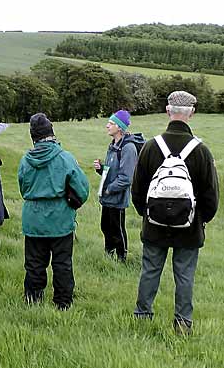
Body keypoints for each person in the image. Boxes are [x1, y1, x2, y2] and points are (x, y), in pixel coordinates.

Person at [131, 91, 219, 336]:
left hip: (154, 225)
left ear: (168, 111)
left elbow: (137, 189)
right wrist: (200, 220)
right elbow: (211, 197)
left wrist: (146, 214)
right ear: (191, 113)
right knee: (185, 276)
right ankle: (182, 324)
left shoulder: (150, 147)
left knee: (150, 271)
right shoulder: (201, 151)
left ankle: (142, 318)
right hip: (189, 228)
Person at [17, 113, 89, 310]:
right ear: (52, 133)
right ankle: (63, 303)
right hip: (60, 219)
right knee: (62, 263)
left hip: (33, 219)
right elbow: (82, 189)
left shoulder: (25, 160)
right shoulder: (65, 158)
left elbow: (23, 189)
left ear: (33, 136)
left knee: (34, 264)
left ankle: (33, 300)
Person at [93, 110, 138, 262]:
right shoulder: (113, 145)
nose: (107, 126)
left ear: (120, 127)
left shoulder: (128, 148)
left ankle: (122, 259)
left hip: (117, 198)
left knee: (117, 230)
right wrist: (101, 168)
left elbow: (126, 178)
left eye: (111, 123)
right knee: (106, 227)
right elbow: (112, 171)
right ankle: (109, 256)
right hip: (107, 197)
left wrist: (109, 189)